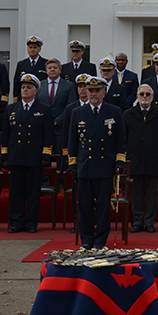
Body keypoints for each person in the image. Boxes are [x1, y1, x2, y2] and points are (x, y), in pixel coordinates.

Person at [67, 76, 127, 249]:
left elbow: (121, 140)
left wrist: (119, 161)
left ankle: (100, 240)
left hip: (104, 167)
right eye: (90, 90)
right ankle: (86, 239)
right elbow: (72, 141)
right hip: (85, 166)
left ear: (104, 92)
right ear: (85, 91)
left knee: (103, 207)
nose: (93, 94)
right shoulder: (78, 112)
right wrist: (72, 164)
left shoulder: (114, 111)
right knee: (84, 206)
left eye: (97, 90)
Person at [2, 74, 54, 233]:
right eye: (23, 87)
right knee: (16, 193)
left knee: (33, 193)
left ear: (35, 90)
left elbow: (48, 134)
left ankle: (31, 223)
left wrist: (46, 155)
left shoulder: (44, 109)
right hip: (16, 156)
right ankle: (16, 222)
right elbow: (5, 134)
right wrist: (4, 155)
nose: (25, 90)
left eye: (28, 87)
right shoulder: (11, 108)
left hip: (34, 157)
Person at [124, 84, 158, 233]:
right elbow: (123, 139)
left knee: (151, 196)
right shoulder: (128, 114)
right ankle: (137, 222)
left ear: (152, 97)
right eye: (142, 94)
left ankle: (150, 222)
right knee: (136, 194)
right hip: (135, 160)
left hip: (154, 160)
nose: (144, 97)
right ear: (137, 97)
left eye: (147, 94)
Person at [61, 73, 91, 234]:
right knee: (78, 194)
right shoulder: (71, 108)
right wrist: (69, 158)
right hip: (78, 158)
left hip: (93, 157)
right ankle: (77, 222)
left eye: (85, 87)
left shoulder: (98, 106)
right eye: (80, 87)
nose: (83, 90)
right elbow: (66, 136)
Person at [36, 58, 77, 152]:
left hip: (61, 128)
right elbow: (37, 104)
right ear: (46, 71)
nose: (52, 69)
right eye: (49, 68)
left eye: (55, 67)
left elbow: (70, 105)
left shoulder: (69, 85)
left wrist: (57, 120)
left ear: (60, 70)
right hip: (43, 128)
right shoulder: (39, 86)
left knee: (59, 158)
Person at [12, 36, 48, 103]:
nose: (32, 49)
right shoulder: (21, 64)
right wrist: (16, 99)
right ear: (27, 49)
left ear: (40, 49)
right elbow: (16, 83)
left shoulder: (46, 63)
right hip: (24, 98)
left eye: (35, 47)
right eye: (30, 47)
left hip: (41, 98)